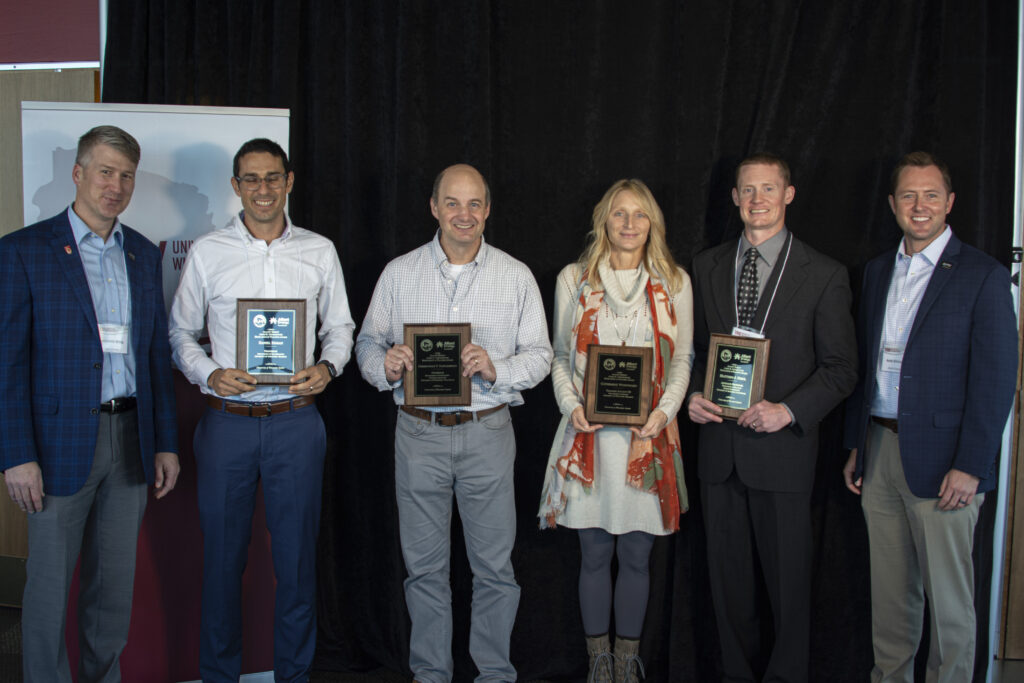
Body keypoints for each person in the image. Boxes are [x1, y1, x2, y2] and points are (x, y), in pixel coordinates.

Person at [355, 163, 552, 682]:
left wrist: (498, 367)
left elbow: (541, 355)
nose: (463, 215)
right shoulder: (399, 273)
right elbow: (366, 344)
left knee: (494, 569)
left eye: (474, 204)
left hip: (488, 430)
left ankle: (494, 674)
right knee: (424, 570)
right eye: (452, 203)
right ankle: (431, 675)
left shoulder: (515, 275)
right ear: (434, 207)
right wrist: (385, 366)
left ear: (487, 210)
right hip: (417, 433)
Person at [168, 138, 355, 682]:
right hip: (228, 424)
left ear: (290, 181)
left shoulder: (319, 251)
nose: (263, 189)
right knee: (223, 566)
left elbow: (340, 327)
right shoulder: (208, 251)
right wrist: (208, 373)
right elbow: (179, 332)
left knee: (296, 567)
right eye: (251, 179)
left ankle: (293, 675)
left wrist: (328, 368)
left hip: (297, 422)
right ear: (235, 186)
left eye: (273, 177)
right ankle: (219, 676)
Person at [0, 125, 180, 683]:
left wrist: (165, 443)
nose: (115, 185)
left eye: (125, 175)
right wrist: (15, 455)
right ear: (78, 174)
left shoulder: (142, 253)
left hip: (129, 438)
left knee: (111, 592)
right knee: (49, 589)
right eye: (105, 171)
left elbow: (153, 357)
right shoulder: (24, 250)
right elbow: (6, 363)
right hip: (55, 448)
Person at [842, 151, 1017, 683]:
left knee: (950, 606)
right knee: (891, 600)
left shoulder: (983, 276)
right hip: (879, 450)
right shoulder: (876, 271)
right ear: (893, 204)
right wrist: (857, 443)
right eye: (909, 196)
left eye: (931, 195)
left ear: (950, 203)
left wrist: (972, 464)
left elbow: (994, 380)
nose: (920, 206)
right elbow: (868, 364)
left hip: (947, 464)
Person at [687, 153, 857, 683]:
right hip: (718, 450)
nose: (757, 199)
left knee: (787, 588)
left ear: (789, 195)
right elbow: (689, 352)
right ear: (735, 198)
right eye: (747, 190)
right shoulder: (705, 266)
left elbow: (842, 368)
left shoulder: (824, 274)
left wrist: (788, 410)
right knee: (727, 587)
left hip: (783, 454)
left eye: (768, 188)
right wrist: (691, 395)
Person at [537, 179, 691, 682]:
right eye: (619, 214)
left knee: (639, 554)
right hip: (589, 438)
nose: (629, 224)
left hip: (648, 440)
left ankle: (626, 666)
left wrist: (663, 413)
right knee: (595, 552)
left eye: (640, 215)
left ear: (654, 223)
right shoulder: (574, 279)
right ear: (604, 219)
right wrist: (569, 403)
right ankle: (598, 666)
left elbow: (683, 358)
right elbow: (560, 355)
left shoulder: (675, 281)